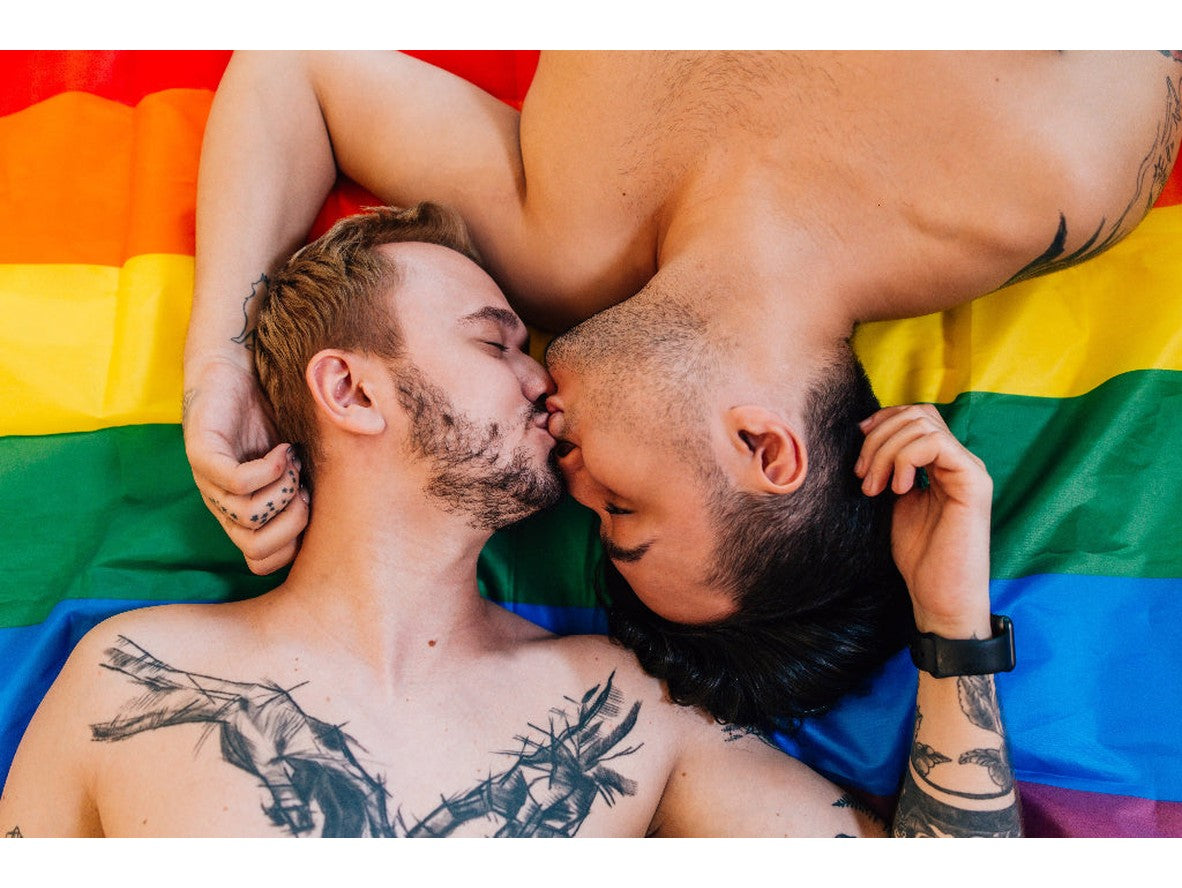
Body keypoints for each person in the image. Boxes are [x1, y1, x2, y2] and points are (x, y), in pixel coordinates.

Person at [182, 51, 1181, 727]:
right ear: (764, 449)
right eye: (622, 509)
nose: (563, 476)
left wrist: (220, 366)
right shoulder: (1053, 176)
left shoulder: (554, 245)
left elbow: (294, 73)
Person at [0, 207, 1019, 837]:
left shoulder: (623, 710)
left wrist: (952, 624)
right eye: (496, 344)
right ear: (351, 390)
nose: (544, 382)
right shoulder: (128, 673)